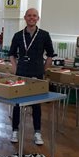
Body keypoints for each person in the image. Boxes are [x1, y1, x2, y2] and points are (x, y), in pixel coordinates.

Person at [8, 8, 55, 145]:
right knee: (17, 103)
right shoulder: (18, 35)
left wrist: (43, 70)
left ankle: (37, 133)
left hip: (37, 74)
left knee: (36, 105)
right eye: (29, 16)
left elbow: (50, 55)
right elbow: (11, 54)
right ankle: (15, 131)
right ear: (25, 17)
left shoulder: (44, 35)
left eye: (34, 16)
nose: (31, 18)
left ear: (38, 18)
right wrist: (16, 68)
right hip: (21, 73)